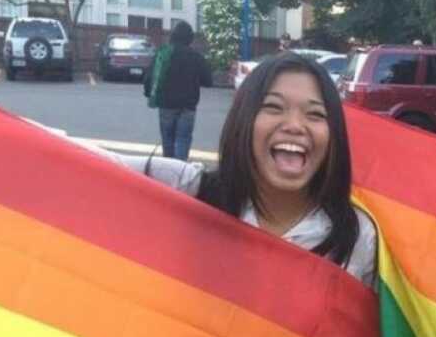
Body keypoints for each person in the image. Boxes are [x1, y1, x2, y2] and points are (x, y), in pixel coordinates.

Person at [117, 52, 375, 286]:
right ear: (244, 120)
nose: (295, 125)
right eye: (273, 107)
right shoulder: (188, 190)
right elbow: (82, 169)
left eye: (316, 114)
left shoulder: (359, 237)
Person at [144, 20, 213, 161]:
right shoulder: (196, 57)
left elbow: (150, 77)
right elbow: (208, 81)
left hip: (166, 104)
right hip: (188, 106)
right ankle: (179, 173)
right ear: (190, 38)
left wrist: (148, 93)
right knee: (183, 139)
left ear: (173, 36)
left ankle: (167, 173)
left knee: (167, 140)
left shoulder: (163, 53)